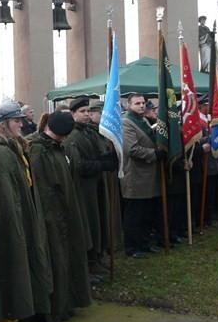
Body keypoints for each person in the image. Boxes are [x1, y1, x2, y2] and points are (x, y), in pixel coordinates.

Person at [0, 101, 50, 322]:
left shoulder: (13, 148)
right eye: (16, 120)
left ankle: (15, 320)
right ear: (4, 123)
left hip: (20, 219)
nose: (22, 123)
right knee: (7, 269)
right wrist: (12, 225)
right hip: (7, 225)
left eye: (21, 119)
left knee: (19, 269)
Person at [27, 111, 91, 322]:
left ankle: (65, 304)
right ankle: (53, 310)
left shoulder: (57, 147)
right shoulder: (38, 149)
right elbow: (42, 188)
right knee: (54, 262)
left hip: (64, 213)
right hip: (50, 217)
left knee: (66, 260)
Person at [66, 96, 115, 276]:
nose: (86, 115)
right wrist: (101, 165)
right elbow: (78, 165)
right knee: (90, 222)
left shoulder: (90, 131)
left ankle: (97, 255)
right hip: (83, 188)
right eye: (82, 112)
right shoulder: (71, 135)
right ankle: (89, 261)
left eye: (88, 111)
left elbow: (95, 155)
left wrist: (107, 158)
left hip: (96, 184)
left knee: (99, 219)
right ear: (73, 114)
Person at [121, 94, 164, 258]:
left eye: (143, 103)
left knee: (146, 212)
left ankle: (144, 243)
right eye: (137, 103)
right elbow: (131, 149)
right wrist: (154, 154)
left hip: (149, 175)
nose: (141, 106)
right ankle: (132, 247)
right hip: (136, 175)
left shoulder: (144, 121)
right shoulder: (127, 123)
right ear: (129, 105)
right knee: (135, 214)